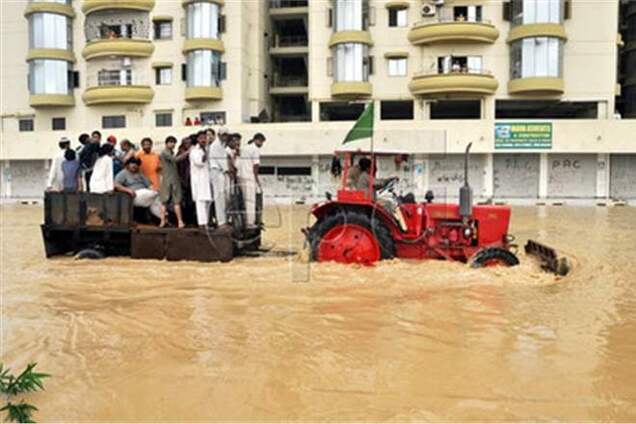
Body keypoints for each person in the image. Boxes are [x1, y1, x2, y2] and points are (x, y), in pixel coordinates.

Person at [159, 136, 188, 228]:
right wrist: (187, 152)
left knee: (175, 201)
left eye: (174, 142)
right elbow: (175, 160)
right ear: (166, 143)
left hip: (172, 179)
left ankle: (179, 221)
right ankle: (163, 221)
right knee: (165, 201)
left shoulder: (170, 152)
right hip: (169, 179)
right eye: (171, 142)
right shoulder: (165, 153)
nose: (173, 144)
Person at [237, 133, 265, 228]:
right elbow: (256, 165)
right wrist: (256, 179)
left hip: (240, 176)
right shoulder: (255, 149)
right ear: (257, 140)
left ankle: (246, 221)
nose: (261, 144)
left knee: (244, 200)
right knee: (250, 201)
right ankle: (250, 223)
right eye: (261, 142)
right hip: (249, 176)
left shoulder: (244, 148)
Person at [189, 131, 212, 227]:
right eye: (201, 138)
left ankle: (206, 222)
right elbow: (199, 162)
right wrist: (206, 152)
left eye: (205, 138)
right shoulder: (194, 150)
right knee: (200, 202)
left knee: (207, 201)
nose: (204, 140)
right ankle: (201, 224)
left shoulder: (206, 149)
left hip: (206, 179)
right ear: (197, 139)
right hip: (198, 180)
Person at [208, 128, 230, 227]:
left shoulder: (223, 145)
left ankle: (224, 219)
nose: (225, 136)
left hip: (222, 172)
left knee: (225, 196)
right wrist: (228, 170)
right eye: (223, 135)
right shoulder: (215, 145)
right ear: (219, 135)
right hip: (216, 171)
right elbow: (221, 161)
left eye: (226, 135)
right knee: (219, 197)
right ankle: (221, 221)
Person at [177, 136, 195, 225]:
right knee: (184, 202)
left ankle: (193, 220)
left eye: (189, 143)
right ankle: (186, 220)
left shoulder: (195, 152)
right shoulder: (180, 153)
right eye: (186, 143)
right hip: (183, 180)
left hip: (192, 180)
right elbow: (177, 163)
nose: (188, 145)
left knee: (192, 201)